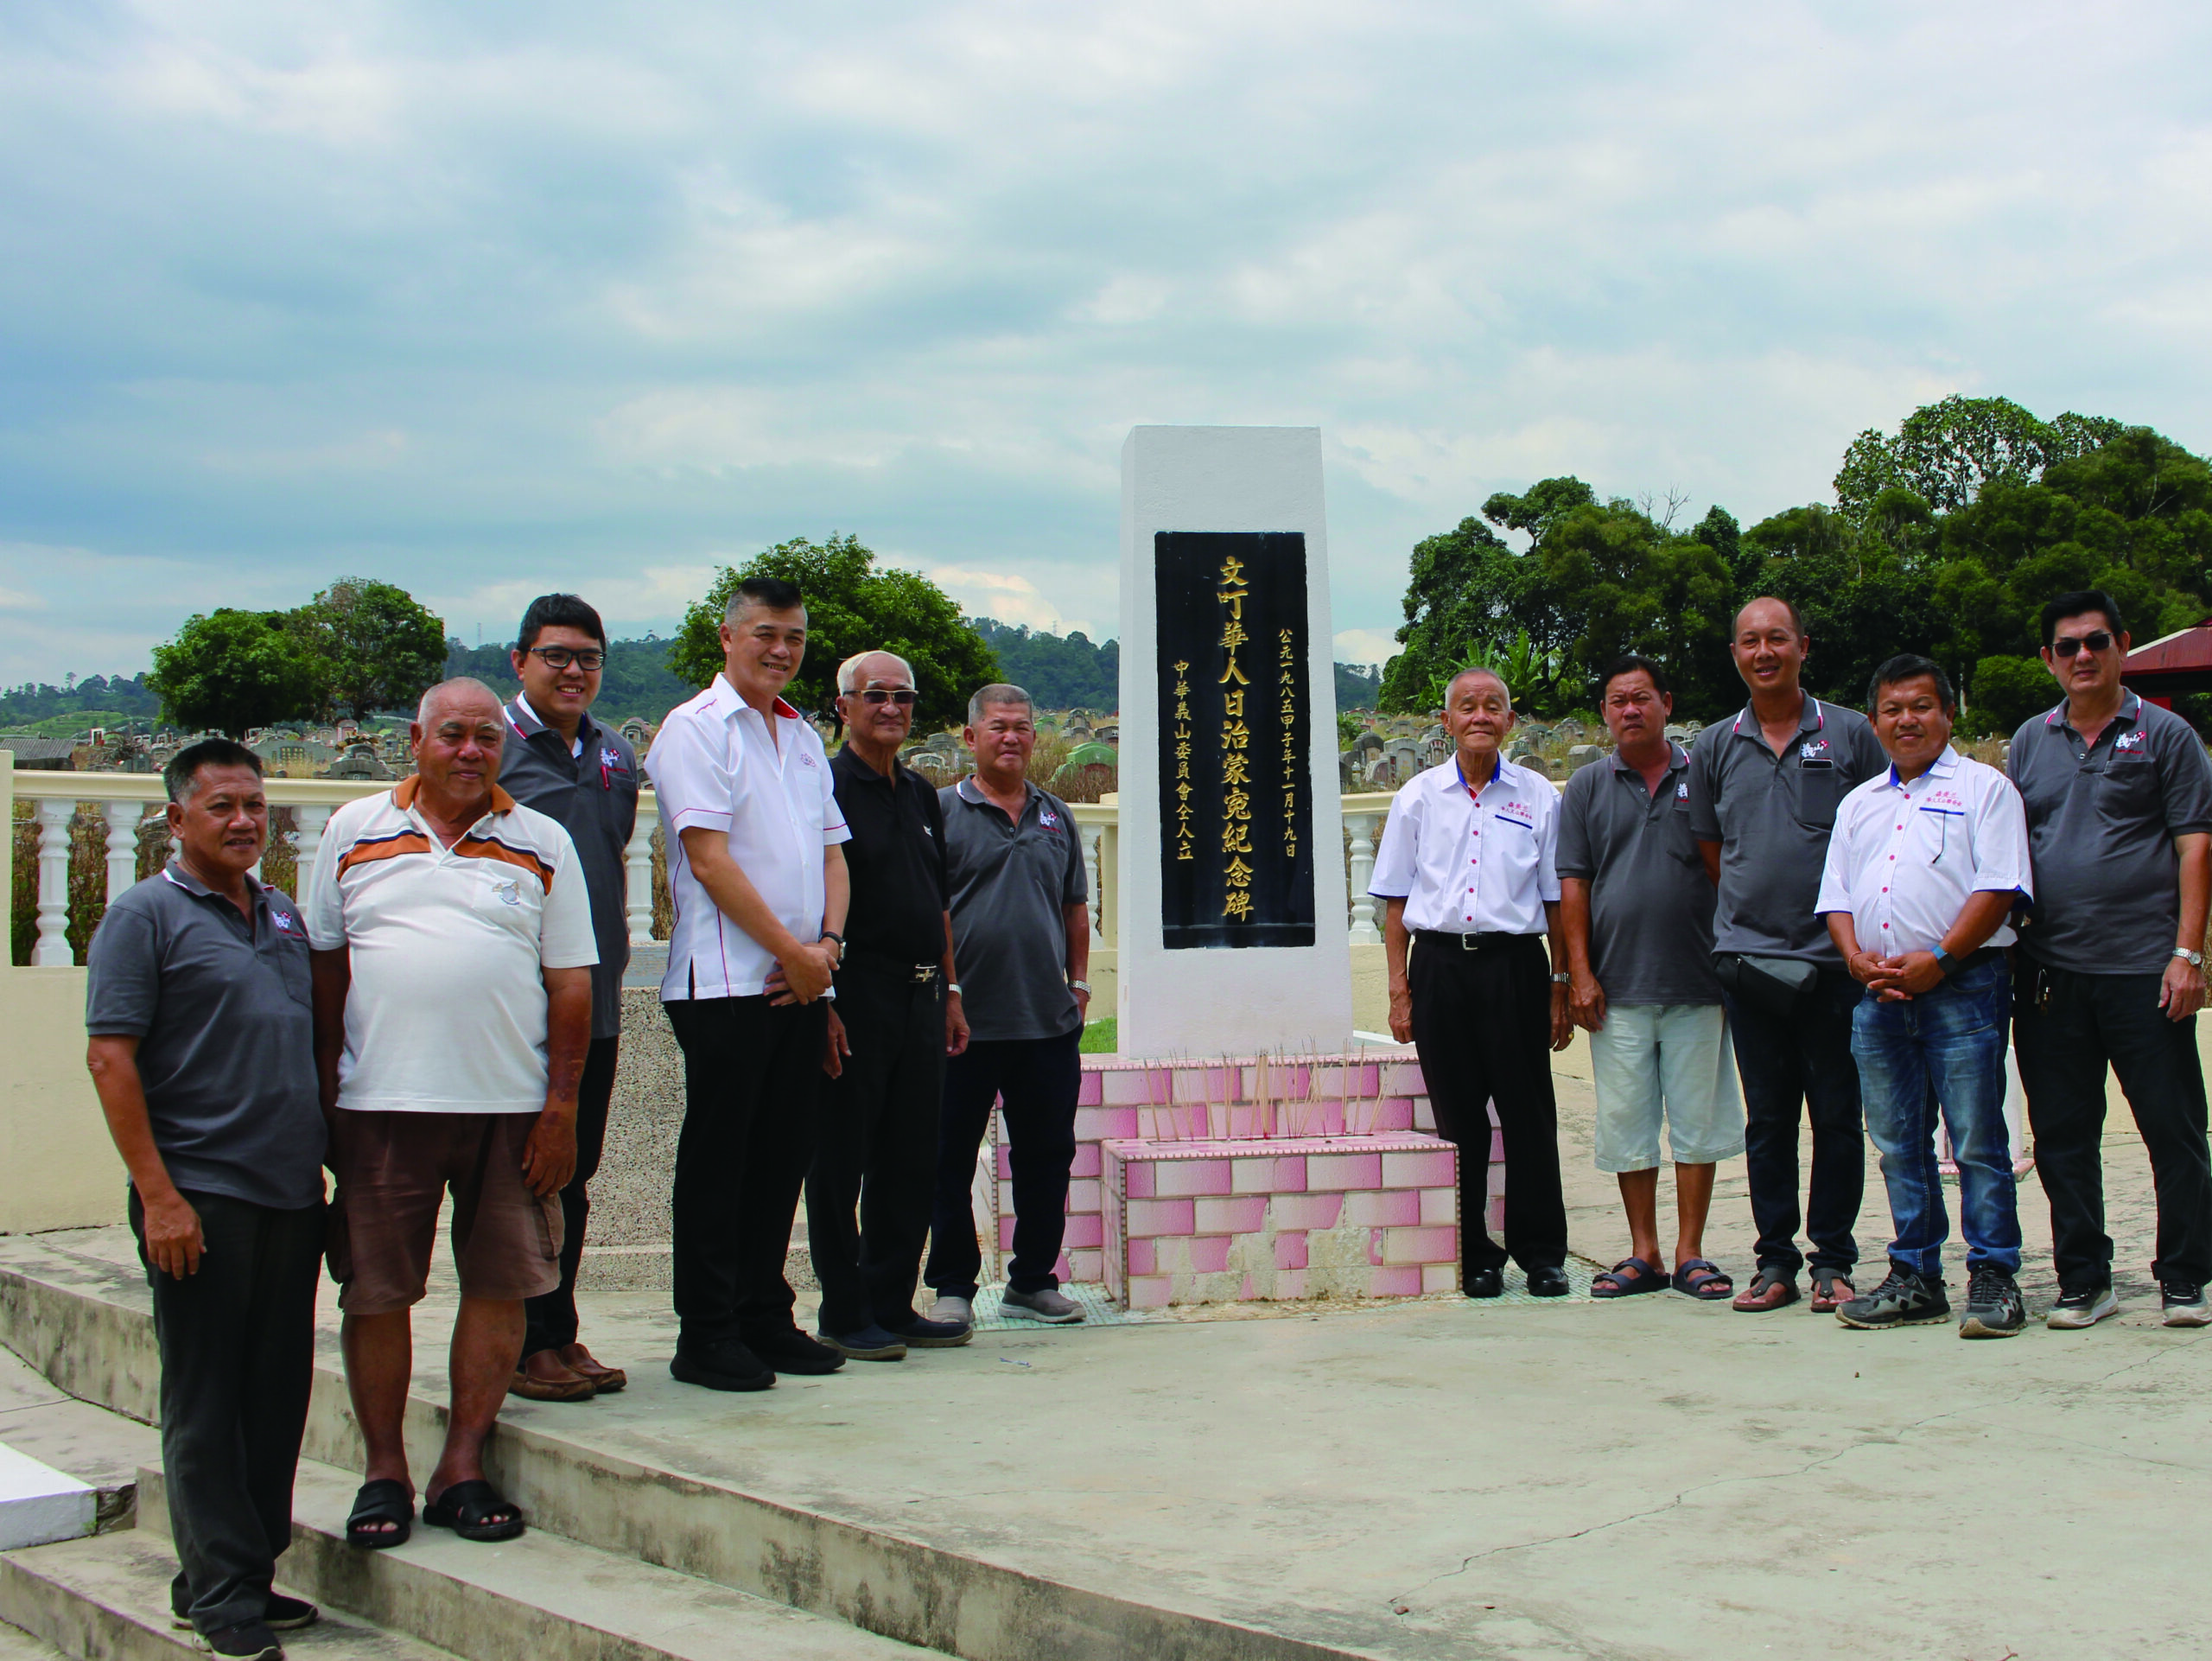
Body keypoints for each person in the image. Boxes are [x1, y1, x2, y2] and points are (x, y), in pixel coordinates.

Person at [306, 678, 596, 1550]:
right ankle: (384, 1469)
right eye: (453, 734)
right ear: (417, 737)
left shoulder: (542, 840)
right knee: (377, 1292)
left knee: (502, 1285)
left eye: (486, 737)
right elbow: (324, 971)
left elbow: (571, 982)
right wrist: (326, 1097)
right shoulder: (351, 831)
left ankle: (461, 1464)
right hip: (380, 1106)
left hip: (510, 1107)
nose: (470, 750)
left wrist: (561, 1106)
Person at [84, 741, 327, 1661]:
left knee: (276, 1393)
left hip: (288, 1195)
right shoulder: (144, 916)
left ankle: (240, 1570)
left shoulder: (279, 913)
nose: (242, 820)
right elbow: (112, 1057)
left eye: (254, 804)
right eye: (221, 804)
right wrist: (160, 1197)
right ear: (177, 818)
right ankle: (220, 1594)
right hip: (200, 1196)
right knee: (207, 1395)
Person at [646, 576, 852, 1388]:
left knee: (782, 1156)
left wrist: (826, 950)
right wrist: (791, 953)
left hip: (803, 983)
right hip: (728, 983)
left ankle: (767, 1317)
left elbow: (833, 853)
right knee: (721, 1159)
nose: (781, 650)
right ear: (726, 637)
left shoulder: (800, 736)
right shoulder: (695, 730)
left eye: (795, 638)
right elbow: (709, 859)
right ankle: (707, 1330)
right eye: (766, 633)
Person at [2009, 590, 2212, 1329]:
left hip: (2143, 969)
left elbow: (2196, 844)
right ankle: (2085, 1278)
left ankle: (2187, 1275)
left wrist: (2188, 954)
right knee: (2063, 1136)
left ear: (2123, 645)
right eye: (2067, 647)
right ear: (2049, 660)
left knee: (2173, 1128)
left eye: (2096, 641)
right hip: (2049, 976)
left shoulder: (2167, 736)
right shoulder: (2030, 741)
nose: (2083, 656)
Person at [1816, 656, 2033, 1336]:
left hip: (1963, 986)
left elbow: (1998, 888)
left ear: (1947, 713)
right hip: (1878, 993)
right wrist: (1855, 959)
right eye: (1892, 709)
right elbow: (1837, 897)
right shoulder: (1860, 803)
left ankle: (1994, 1278)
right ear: (1875, 720)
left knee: (1973, 1138)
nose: (1906, 720)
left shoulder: (1985, 790)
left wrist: (1939, 959)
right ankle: (1915, 1274)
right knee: (1896, 1141)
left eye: (1921, 706)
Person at [1688, 597, 1887, 1314]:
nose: (1764, 651)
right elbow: (1714, 850)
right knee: (1768, 1118)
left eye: (1778, 638)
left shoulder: (1853, 734)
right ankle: (1775, 1261)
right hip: (1750, 965)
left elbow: (1877, 830)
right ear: (1735, 654)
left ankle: (1833, 1258)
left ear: (1804, 645)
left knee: (1837, 1114)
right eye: (1750, 641)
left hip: (1836, 964)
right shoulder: (1712, 747)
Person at [1371, 666, 1573, 1298]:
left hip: (1514, 967)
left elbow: (1558, 903)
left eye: (1493, 706)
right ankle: (1474, 1254)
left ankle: (1541, 1253)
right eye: (1467, 706)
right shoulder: (1419, 797)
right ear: (1447, 720)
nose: (1480, 716)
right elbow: (1396, 904)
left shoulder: (1539, 796)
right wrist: (1400, 990)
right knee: (1460, 1120)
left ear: (1510, 720)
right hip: (1439, 968)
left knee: (1528, 1115)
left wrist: (1560, 985)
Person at [1559, 656, 1742, 1301]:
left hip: (1699, 980)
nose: (1629, 709)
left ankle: (1692, 1252)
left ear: (1666, 702)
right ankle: (1645, 1252)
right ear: (1605, 713)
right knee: (1627, 1122)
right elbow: (1573, 884)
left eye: (1641, 697)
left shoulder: (1706, 775)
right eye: (1616, 700)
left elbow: (1732, 869)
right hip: (1617, 988)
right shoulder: (1585, 787)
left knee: (1698, 1122)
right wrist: (1578, 974)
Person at [806, 652, 974, 1359]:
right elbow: (808, 895)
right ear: (843, 707)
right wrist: (825, 1003)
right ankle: (844, 1311)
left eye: (904, 697)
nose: (892, 708)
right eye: (876, 695)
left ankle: (892, 1301)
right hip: (856, 990)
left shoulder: (917, 792)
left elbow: (936, 904)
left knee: (911, 1157)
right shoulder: (823, 788)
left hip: (920, 993)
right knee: (842, 1158)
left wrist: (951, 990)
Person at [498, 594, 639, 1403]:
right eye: (557, 655)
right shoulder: (495, 753)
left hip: (596, 1001)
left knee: (573, 1175)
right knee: (522, 1176)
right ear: (520, 661)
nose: (574, 670)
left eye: (588, 657)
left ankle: (559, 1330)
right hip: (516, 1008)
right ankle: (520, 1342)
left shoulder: (616, 754)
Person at [924, 683, 1091, 1327]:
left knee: (1047, 1155)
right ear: (971, 737)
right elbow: (930, 910)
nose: (1012, 737)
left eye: (1022, 726)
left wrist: (1078, 984)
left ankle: (1033, 1280)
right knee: (948, 1156)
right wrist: (947, 991)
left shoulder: (1056, 815)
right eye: (998, 727)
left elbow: (1075, 906)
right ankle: (952, 1287)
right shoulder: (939, 812)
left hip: (1045, 1019)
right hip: (961, 1022)